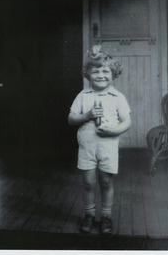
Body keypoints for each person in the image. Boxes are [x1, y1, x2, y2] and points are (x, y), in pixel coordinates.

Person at [68, 45, 131, 234]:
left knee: (106, 182)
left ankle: (106, 217)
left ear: (113, 74)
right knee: (88, 183)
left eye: (106, 71)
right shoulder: (83, 95)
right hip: (87, 148)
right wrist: (87, 115)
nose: (101, 75)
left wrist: (113, 130)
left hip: (108, 148)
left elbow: (127, 122)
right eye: (95, 71)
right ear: (88, 74)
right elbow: (71, 119)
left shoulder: (117, 97)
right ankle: (89, 214)